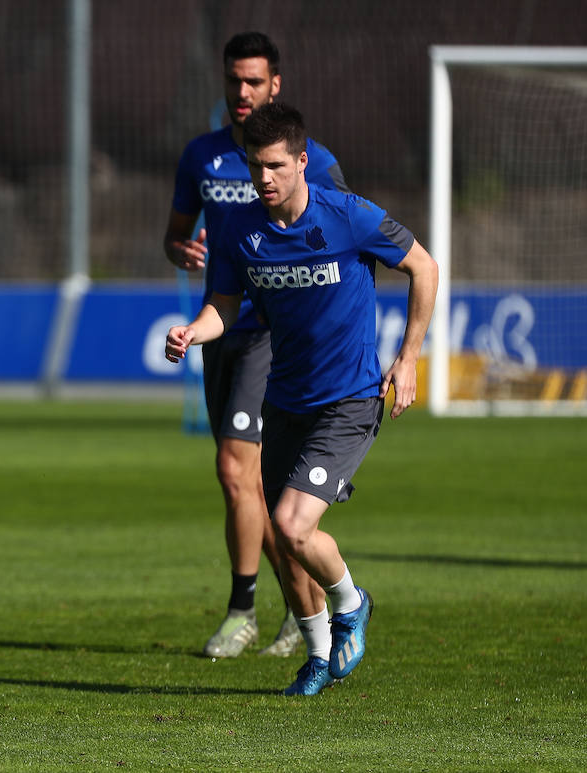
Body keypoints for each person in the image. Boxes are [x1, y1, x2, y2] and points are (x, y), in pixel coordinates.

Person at [166, 101, 437, 695]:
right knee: (286, 548)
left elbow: (424, 267)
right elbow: (225, 306)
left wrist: (410, 356)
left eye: (274, 166)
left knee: (291, 524)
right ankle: (316, 657)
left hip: (350, 399)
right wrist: (194, 330)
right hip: (283, 400)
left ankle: (351, 603)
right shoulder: (240, 232)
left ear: (301, 162)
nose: (263, 179)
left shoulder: (348, 216)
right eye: (254, 167)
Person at [163, 31, 351, 659]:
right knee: (252, 490)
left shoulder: (315, 162)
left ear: (276, 85)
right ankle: (302, 609)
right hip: (221, 328)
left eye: (254, 82)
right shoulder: (203, 156)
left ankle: (244, 611)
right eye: (232, 80)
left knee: (234, 470)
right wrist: (180, 250)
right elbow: (176, 235)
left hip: (271, 338)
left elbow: (339, 245)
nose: (241, 92)